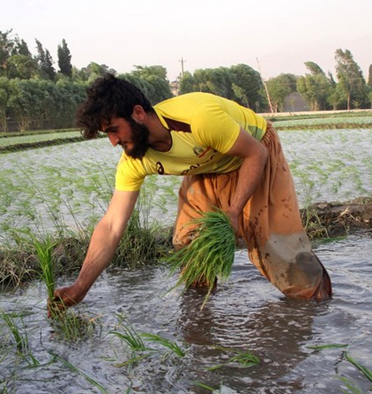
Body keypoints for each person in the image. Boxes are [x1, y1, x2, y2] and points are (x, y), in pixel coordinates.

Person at [51, 74, 331, 310]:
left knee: (275, 247)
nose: (113, 142)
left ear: (138, 113)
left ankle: (319, 306)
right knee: (191, 242)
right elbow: (112, 226)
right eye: (107, 135)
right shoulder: (133, 160)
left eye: (114, 130)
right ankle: (200, 316)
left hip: (253, 151)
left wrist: (234, 212)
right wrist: (80, 287)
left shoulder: (198, 118)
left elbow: (254, 154)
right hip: (207, 165)